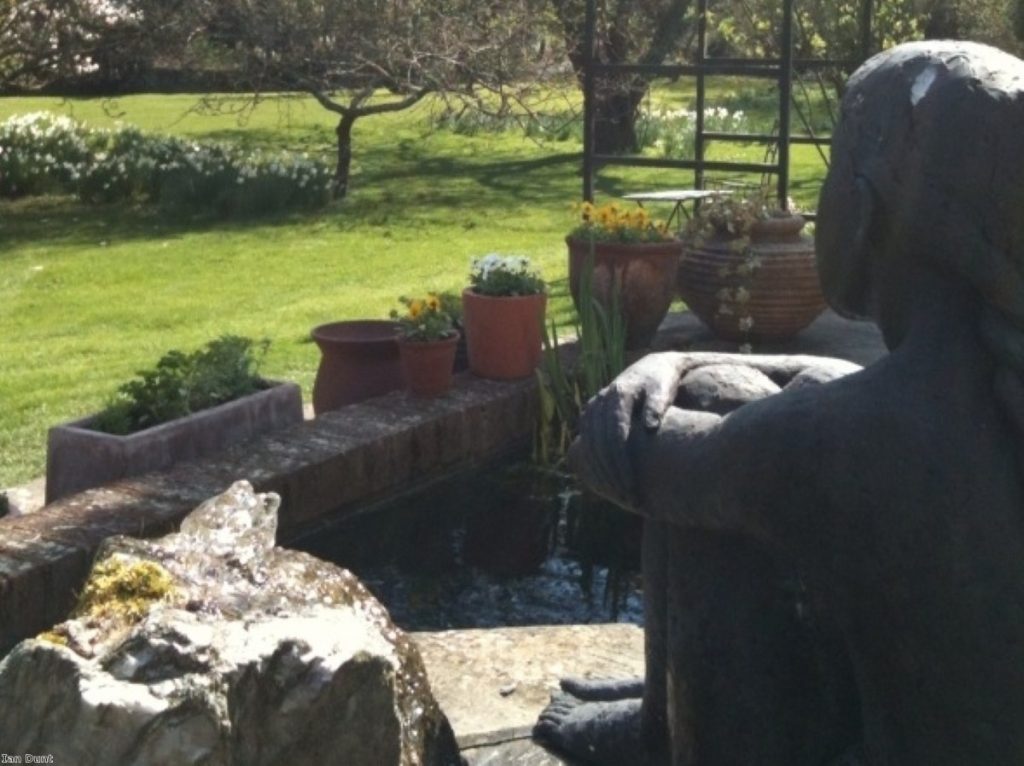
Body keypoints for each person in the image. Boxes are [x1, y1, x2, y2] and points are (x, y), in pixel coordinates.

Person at [535, 40, 1024, 765]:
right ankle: (657, 709)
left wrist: (679, 371)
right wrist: (675, 351)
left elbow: (618, 455)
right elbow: (831, 379)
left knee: (717, 396)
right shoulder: (978, 391)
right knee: (785, 389)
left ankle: (661, 735)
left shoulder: (836, 441)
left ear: (861, 210)